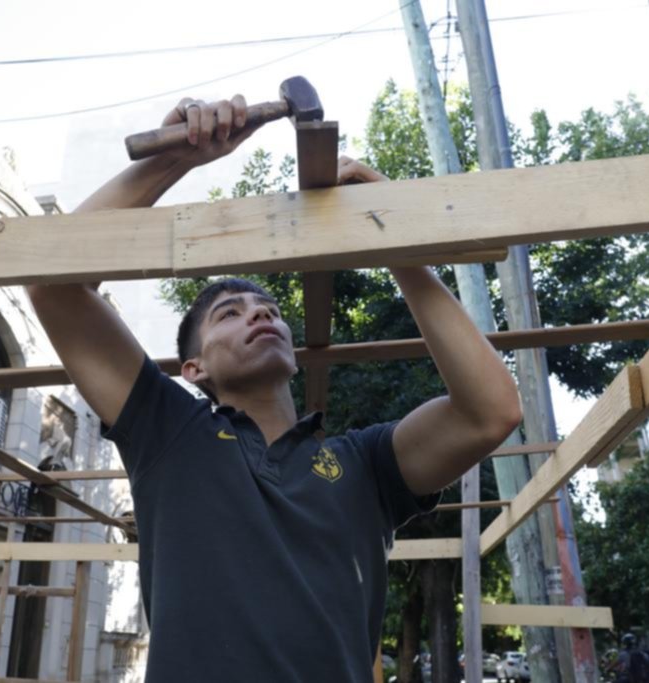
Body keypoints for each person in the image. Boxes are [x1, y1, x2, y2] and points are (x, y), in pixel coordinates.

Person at [26, 95, 522, 683]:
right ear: (193, 369)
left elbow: (489, 412)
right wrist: (175, 159)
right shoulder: (168, 432)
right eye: (229, 314)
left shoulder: (363, 464)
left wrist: (394, 241)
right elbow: (52, 285)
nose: (259, 315)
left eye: (268, 309)